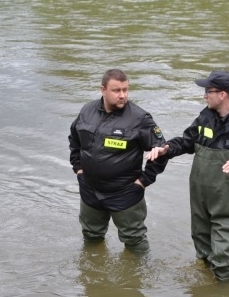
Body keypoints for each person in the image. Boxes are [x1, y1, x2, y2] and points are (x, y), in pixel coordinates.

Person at [148, 70, 229, 280]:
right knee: (203, 248)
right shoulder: (205, 117)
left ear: (223, 95)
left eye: (208, 91)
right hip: (202, 200)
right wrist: (167, 148)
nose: (204, 95)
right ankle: (204, 293)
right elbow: (187, 142)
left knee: (223, 258)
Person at [69, 69, 168, 252]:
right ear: (103, 90)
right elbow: (74, 139)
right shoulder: (86, 111)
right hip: (90, 190)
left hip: (125, 193)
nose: (122, 95)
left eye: (125, 90)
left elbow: (161, 151)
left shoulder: (140, 118)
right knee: (91, 236)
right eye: (116, 90)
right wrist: (78, 168)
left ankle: (136, 277)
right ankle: (94, 277)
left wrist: (144, 181)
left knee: (134, 241)